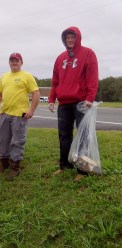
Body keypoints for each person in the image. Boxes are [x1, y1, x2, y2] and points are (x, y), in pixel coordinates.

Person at [48, 26, 99, 182]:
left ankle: (82, 170)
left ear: (78, 38)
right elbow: (55, 81)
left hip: (81, 102)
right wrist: (51, 99)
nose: (70, 40)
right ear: (64, 40)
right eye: (67, 38)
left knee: (83, 135)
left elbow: (92, 77)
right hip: (64, 103)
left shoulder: (88, 53)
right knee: (64, 135)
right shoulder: (60, 58)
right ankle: (64, 165)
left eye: (72, 37)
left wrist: (90, 97)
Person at [0, 52, 40, 180]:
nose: (14, 62)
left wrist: (31, 110)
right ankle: (4, 163)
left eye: (16, 60)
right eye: (12, 60)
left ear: (21, 62)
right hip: (5, 114)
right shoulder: (4, 77)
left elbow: (36, 93)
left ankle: (15, 167)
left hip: (19, 115)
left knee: (16, 141)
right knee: (2, 139)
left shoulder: (27, 76)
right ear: (9, 63)